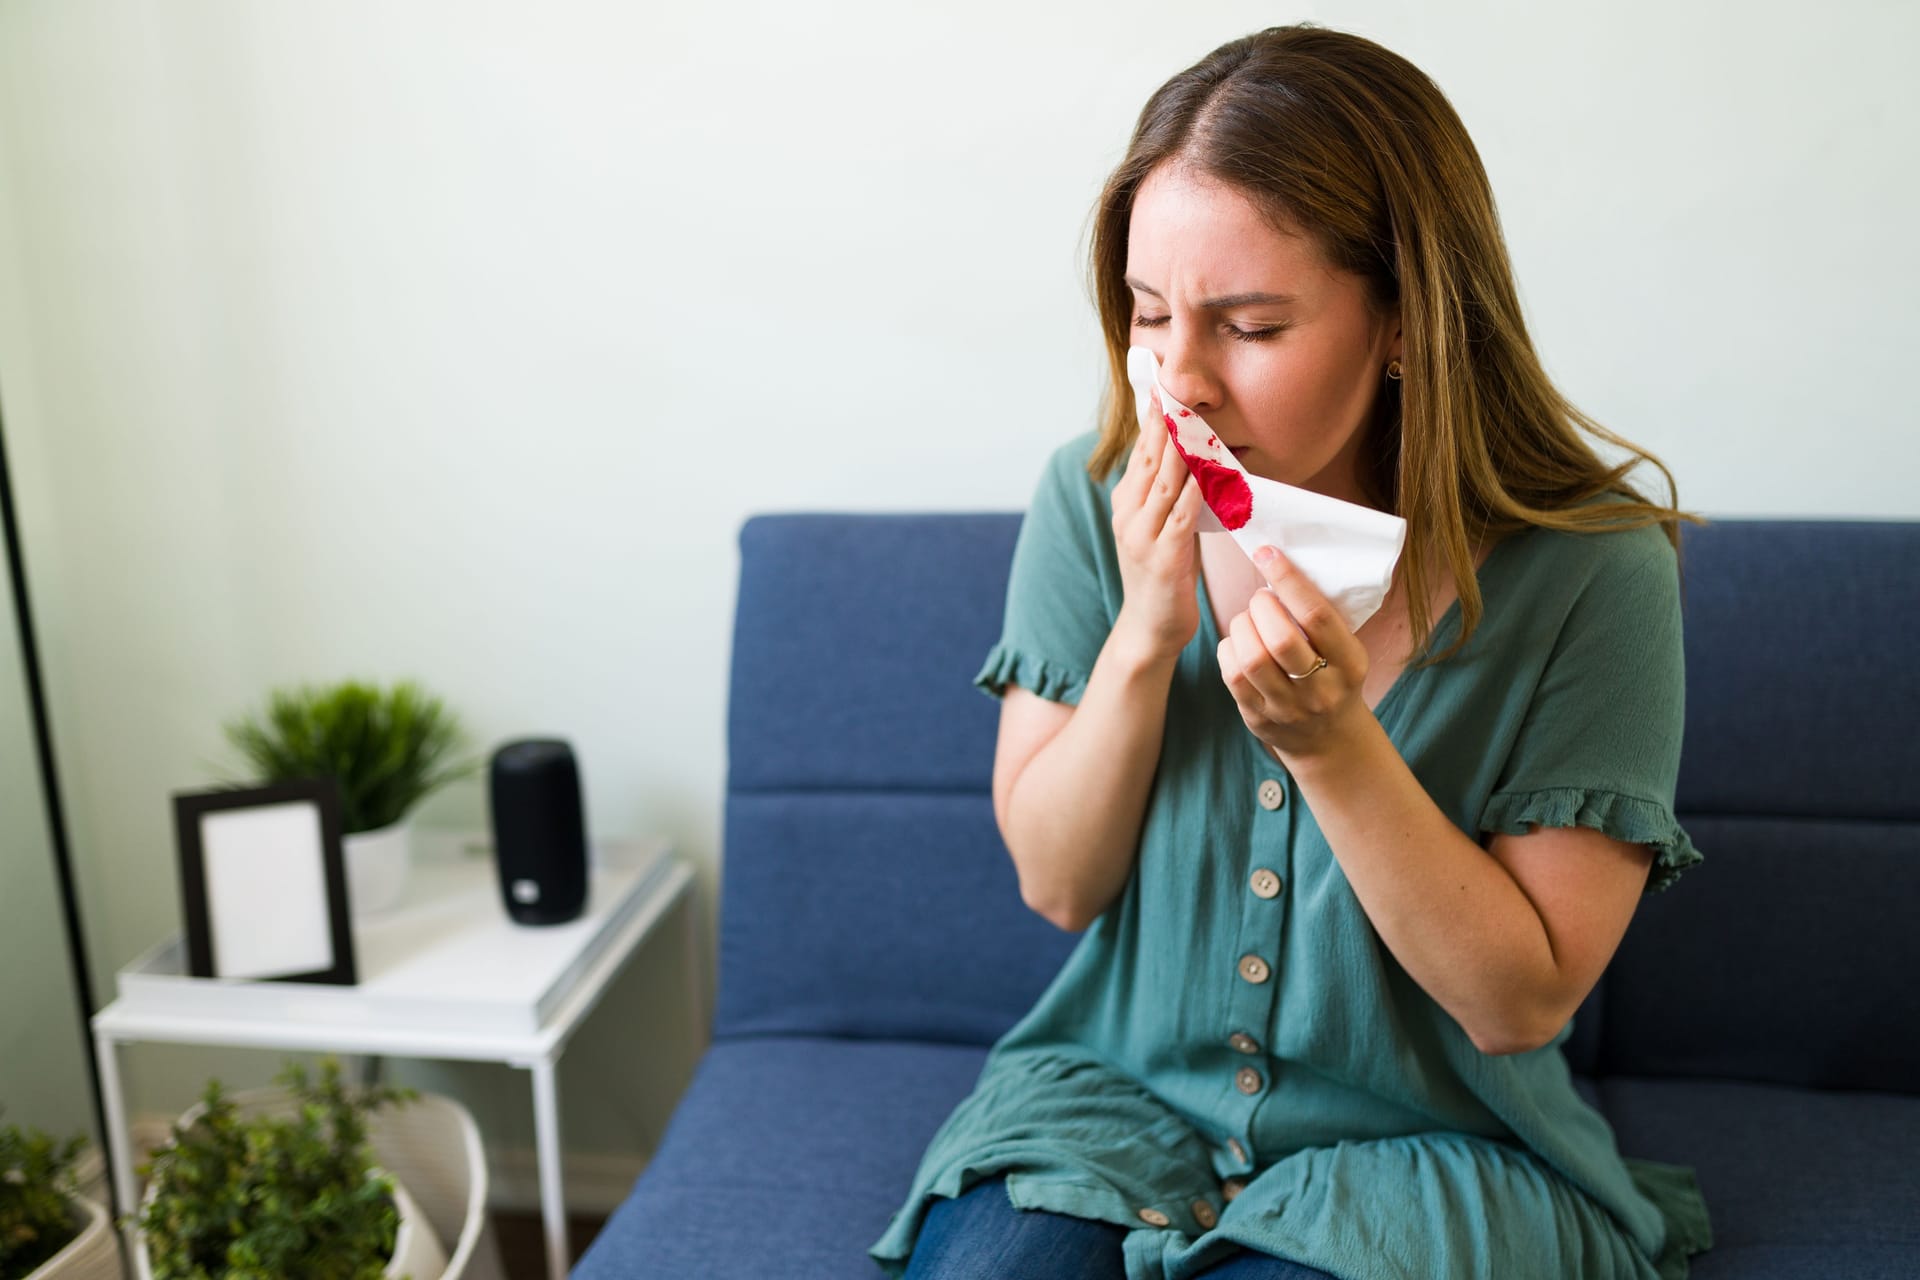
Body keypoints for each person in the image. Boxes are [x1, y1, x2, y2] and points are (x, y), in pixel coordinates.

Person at [867, 22, 1714, 1280]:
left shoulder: (1595, 571)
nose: (1181, 380)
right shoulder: (1089, 493)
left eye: (1251, 326)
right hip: (1113, 1105)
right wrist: (1148, 635)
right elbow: (1057, 882)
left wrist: (1332, 744)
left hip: (1430, 1150)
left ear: (1408, 322)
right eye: (1151, 315)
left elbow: (1521, 1001)